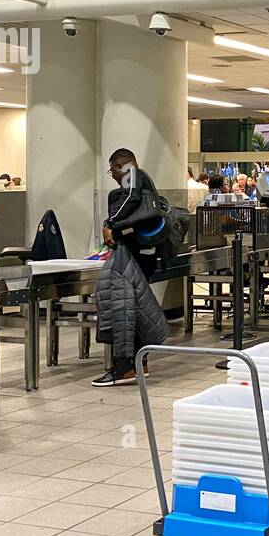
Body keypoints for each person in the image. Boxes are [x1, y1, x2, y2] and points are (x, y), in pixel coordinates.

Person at [94, 148, 165, 386]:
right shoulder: (144, 179)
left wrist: (110, 223)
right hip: (146, 252)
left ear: (119, 166)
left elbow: (130, 198)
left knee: (124, 307)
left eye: (111, 170)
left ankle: (124, 368)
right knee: (137, 306)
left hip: (134, 254)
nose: (112, 175)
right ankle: (139, 363)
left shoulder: (131, 173)